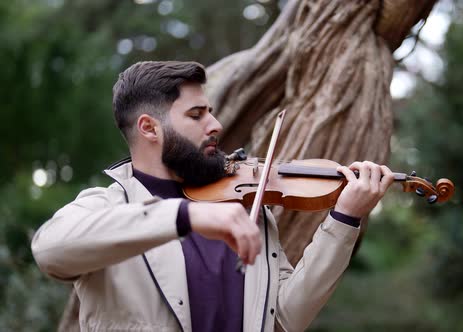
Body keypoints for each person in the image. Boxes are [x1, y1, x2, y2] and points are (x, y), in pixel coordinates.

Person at [31, 61, 396, 332]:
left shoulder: (243, 207)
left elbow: (286, 318)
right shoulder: (108, 205)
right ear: (149, 127)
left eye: (211, 111)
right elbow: (49, 250)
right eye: (197, 114)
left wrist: (344, 219)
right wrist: (184, 217)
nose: (216, 125)